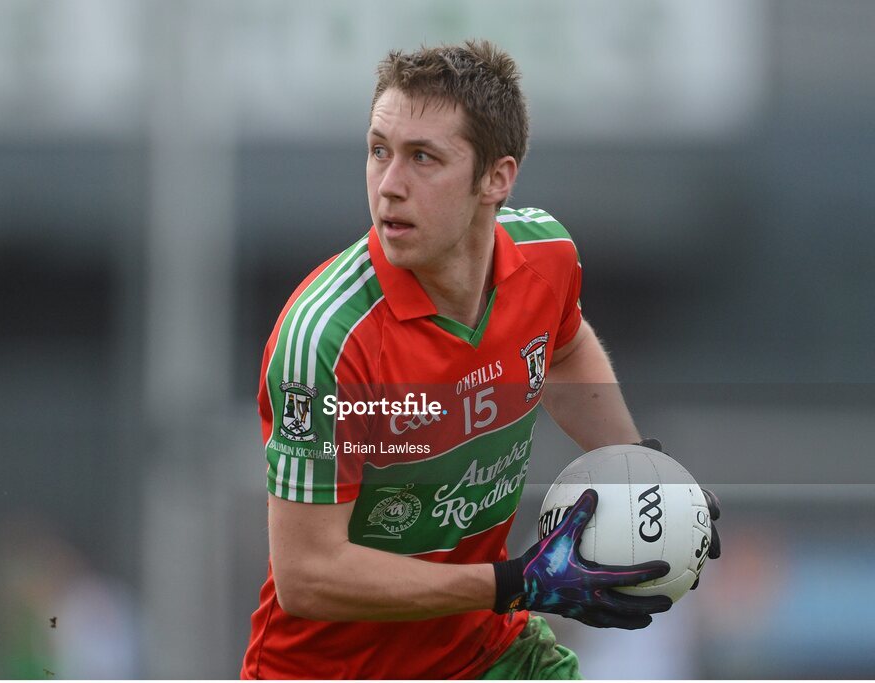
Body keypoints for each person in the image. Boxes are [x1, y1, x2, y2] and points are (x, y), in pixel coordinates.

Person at [240, 40, 719, 680]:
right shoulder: (328, 338)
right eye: (378, 150)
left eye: (423, 158)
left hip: (488, 654)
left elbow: (564, 346)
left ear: (496, 177)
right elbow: (309, 576)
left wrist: (637, 470)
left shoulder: (545, 256)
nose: (388, 185)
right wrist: (511, 582)